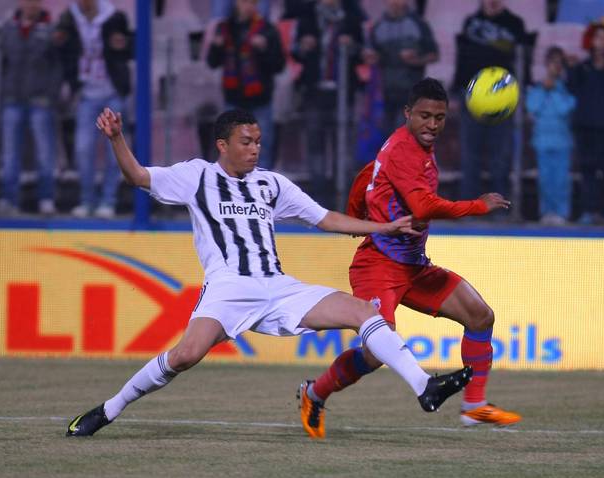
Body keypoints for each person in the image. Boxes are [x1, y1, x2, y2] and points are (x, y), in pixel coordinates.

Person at [66, 108, 473, 437]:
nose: (255, 149)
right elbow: (138, 176)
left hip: (278, 287)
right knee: (185, 355)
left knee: (365, 313)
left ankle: (424, 387)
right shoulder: (196, 177)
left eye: (259, 141)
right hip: (229, 289)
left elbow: (325, 218)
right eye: (246, 142)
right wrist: (117, 138)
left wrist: (382, 227)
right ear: (222, 145)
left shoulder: (271, 185)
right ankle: (109, 409)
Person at [297, 78, 521, 440]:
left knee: (481, 315)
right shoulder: (403, 149)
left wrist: (363, 212)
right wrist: (477, 206)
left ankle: (473, 407)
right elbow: (422, 206)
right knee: (375, 351)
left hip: (414, 267)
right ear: (407, 114)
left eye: (440, 117)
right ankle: (314, 393)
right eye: (424, 116)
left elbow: (366, 179)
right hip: (378, 267)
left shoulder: (412, 151)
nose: (432, 125)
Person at [56, 0, 132, 219]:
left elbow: (129, 49)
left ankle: (108, 201)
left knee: (113, 152)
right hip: (86, 94)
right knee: (83, 149)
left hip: (112, 93)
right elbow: (62, 50)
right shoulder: (69, 18)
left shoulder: (115, 17)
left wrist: (122, 45)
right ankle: (87, 200)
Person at [452, 0, 527, 204]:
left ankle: (498, 207)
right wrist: (454, 92)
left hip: (504, 101)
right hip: (470, 98)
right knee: (470, 155)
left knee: (500, 157)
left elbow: (523, 64)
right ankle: (468, 207)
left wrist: (523, 94)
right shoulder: (471, 22)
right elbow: (462, 59)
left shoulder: (515, 24)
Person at [291, 0, 363, 209]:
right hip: (314, 92)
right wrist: (303, 47)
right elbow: (294, 52)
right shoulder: (307, 19)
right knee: (315, 147)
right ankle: (318, 201)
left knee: (344, 149)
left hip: (344, 93)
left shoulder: (352, 18)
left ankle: (344, 199)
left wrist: (352, 47)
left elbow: (363, 54)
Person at [0, 0, 61, 216]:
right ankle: (9, 200)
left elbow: (57, 66)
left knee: (45, 154)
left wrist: (51, 96)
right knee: (10, 155)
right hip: (12, 99)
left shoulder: (51, 30)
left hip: (40, 101)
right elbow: (0, 65)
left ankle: (46, 198)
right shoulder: (8, 28)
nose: (30, 5)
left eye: (34, 1)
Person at [207, 0, 286, 170]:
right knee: (231, 148)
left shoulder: (267, 29)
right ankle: (233, 188)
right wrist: (216, 46)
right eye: (244, 2)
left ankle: (260, 189)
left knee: (260, 149)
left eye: (252, 2)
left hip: (260, 100)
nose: (248, 6)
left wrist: (264, 49)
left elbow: (279, 64)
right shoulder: (225, 29)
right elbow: (212, 62)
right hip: (233, 100)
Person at [567, 14, 604, 224]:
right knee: (587, 170)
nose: (601, 42)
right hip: (584, 127)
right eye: (598, 37)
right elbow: (571, 88)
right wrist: (569, 68)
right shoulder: (581, 68)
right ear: (591, 40)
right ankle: (588, 211)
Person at [363, 0, 439, 131]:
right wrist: (371, 57)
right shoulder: (378, 26)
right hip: (386, 95)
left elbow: (434, 54)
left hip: (412, 95)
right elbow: (370, 56)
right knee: (388, 138)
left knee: (408, 137)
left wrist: (415, 59)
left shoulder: (419, 24)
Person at [526, 46, 576, 226]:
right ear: (546, 64)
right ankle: (546, 212)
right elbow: (532, 107)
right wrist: (545, 89)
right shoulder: (537, 88)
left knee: (561, 180)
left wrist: (554, 90)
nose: (555, 67)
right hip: (542, 142)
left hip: (562, 142)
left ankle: (562, 212)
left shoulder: (567, 89)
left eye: (558, 63)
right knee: (545, 180)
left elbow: (565, 109)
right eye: (552, 62)